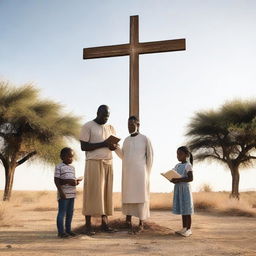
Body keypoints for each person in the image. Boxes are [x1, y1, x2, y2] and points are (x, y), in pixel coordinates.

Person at [80, 105, 118, 235]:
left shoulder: (110, 128)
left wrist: (112, 146)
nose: (106, 118)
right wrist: (104, 143)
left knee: (106, 194)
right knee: (92, 193)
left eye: (107, 116)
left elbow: (112, 146)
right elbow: (83, 146)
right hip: (93, 162)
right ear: (97, 113)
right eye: (103, 116)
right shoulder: (87, 126)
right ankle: (88, 226)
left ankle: (105, 224)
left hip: (108, 162)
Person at [120, 116, 153, 232]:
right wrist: (114, 148)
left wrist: (147, 173)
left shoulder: (145, 139)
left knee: (140, 197)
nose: (129, 127)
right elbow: (122, 156)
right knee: (128, 196)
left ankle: (141, 224)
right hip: (128, 173)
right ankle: (128, 221)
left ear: (138, 125)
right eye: (128, 125)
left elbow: (150, 157)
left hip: (141, 174)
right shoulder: (126, 140)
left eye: (132, 125)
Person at [54, 147, 82, 238]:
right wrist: (61, 191)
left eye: (72, 157)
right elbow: (57, 181)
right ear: (62, 157)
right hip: (64, 194)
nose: (71, 159)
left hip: (72, 194)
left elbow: (71, 181)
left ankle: (68, 230)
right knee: (62, 213)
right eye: (69, 157)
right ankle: (61, 232)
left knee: (70, 213)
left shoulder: (72, 168)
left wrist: (76, 182)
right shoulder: (59, 167)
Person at [170, 146, 194, 237]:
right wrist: (171, 179)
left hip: (185, 189)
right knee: (183, 209)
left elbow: (191, 178)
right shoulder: (177, 166)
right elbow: (174, 175)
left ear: (186, 155)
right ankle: (184, 228)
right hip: (178, 189)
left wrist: (178, 180)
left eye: (180, 154)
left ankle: (189, 229)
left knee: (187, 209)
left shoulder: (188, 165)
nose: (178, 156)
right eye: (177, 154)